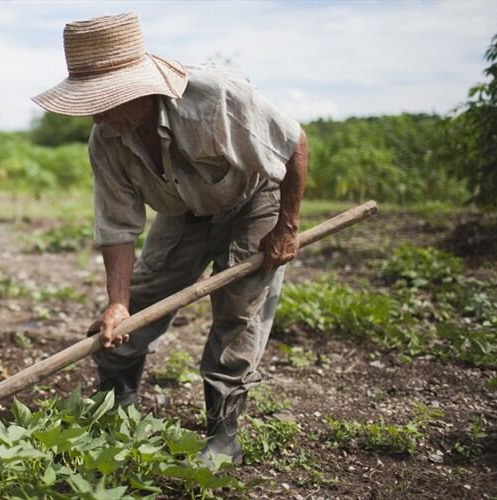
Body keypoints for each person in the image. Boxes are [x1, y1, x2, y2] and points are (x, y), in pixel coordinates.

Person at [31, 12, 307, 466]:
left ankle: (223, 436)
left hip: (253, 199)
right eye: (90, 101)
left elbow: (293, 143)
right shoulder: (107, 139)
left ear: (140, 87)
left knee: (239, 310)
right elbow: (117, 227)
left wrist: (287, 227)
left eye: (105, 99)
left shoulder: (217, 96)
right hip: (182, 213)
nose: (97, 112)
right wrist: (116, 303)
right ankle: (117, 403)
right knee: (135, 305)